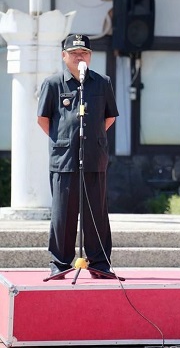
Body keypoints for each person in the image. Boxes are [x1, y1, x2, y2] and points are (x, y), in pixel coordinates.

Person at [38, 34, 119, 278]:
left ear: (90, 57)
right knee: (63, 214)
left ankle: (99, 263)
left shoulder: (101, 82)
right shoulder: (53, 84)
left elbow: (109, 116)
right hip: (64, 159)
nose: (79, 56)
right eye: (74, 53)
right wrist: (64, 140)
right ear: (64, 56)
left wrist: (90, 137)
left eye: (84, 52)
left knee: (97, 212)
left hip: (94, 156)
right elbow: (43, 119)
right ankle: (60, 263)